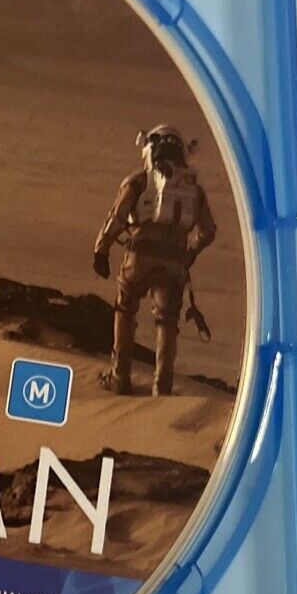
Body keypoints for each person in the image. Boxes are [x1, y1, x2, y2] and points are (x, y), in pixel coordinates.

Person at [93, 123, 216, 396]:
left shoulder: (139, 182)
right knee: (167, 321)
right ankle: (162, 387)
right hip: (174, 265)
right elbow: (208, 231)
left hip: (138, 259)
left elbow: (117, 218)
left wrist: (101, 250)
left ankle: (120, 377)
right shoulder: (194, 190)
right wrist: (189, 252)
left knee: (125, 309)